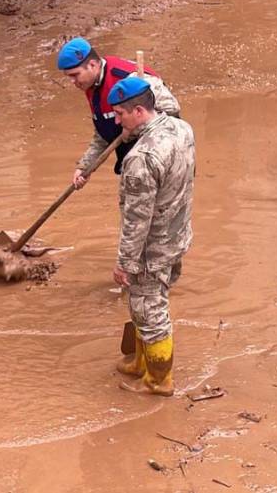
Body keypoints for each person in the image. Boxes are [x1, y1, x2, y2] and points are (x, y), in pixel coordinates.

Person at [107, 76, 195, 396]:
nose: (116, 122)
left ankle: (159, 380)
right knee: (147, 302)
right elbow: (166, 101)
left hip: (151, 247)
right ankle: (141, 362)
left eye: (120, 114)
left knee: (149, 310)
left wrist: (125, 263)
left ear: (140, 111)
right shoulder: (180, 128)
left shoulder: (141, 159)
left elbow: (136, 220)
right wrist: (147, 81)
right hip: (177, 233)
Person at [56, 37, 180, 189]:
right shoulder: (91, 86)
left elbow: (172, 114)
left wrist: (135, 129)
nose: (72, 81)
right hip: (133, 164)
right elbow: (103, 133)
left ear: (92, 65)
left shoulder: (129, 79)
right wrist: (85, 167)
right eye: (69, 77)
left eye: (75, 75)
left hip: (160, 161)